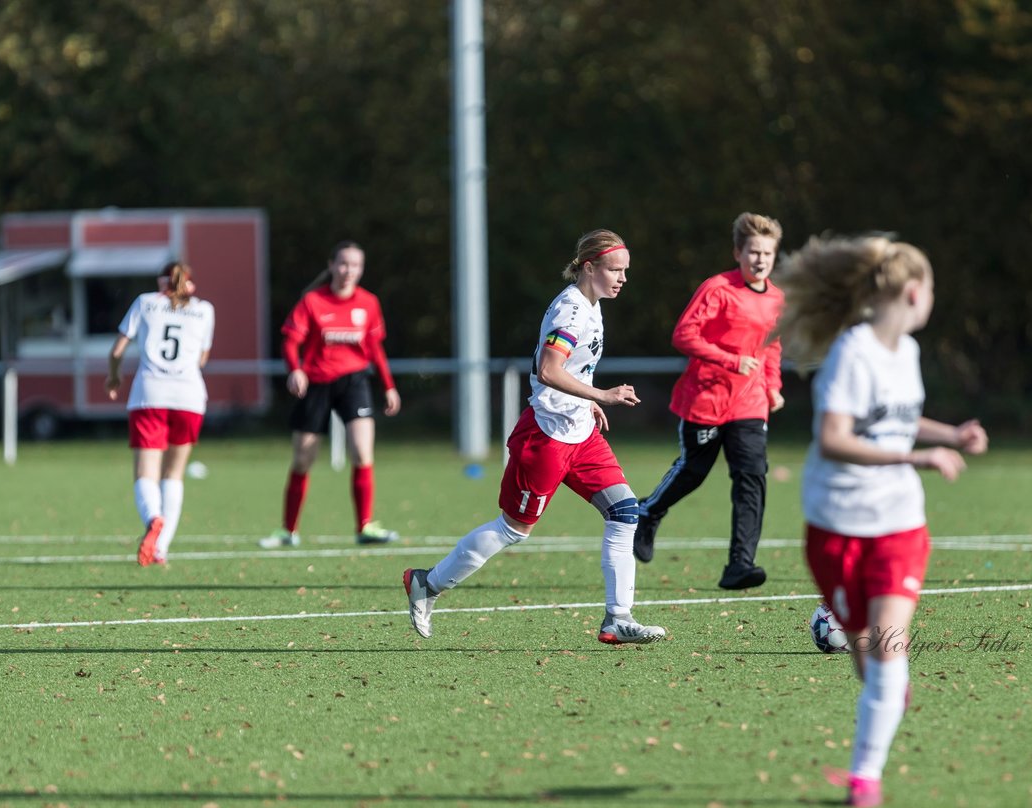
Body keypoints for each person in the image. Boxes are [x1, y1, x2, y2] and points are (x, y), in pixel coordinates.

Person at [774, 232, 988, 808]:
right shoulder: (853, 352)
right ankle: (885, 688)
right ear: (915, 292)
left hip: (898, 524)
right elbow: (834, 438)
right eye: (935, 289)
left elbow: (900, 419)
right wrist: (916, 457)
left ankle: (864, 776)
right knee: (869, 657)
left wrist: (951, 435)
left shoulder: (908, 354)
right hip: (836, 525)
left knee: (889, 651)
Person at [403, 229, 665, 644]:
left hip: (580, 435)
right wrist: (601, 394)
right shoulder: (572, 310)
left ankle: (617, 618)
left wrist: (587, 400)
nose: (623, 278)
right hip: (545, 438)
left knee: (625, 513)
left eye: (626, 271)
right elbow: (548, 369)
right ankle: (427, 583)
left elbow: (569, 370)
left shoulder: (592, 305)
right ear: (590, 267)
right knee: (514, 529)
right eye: (616, 270)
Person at [634, 212, 786, 590]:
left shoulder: (778, 299)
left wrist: (772, 385)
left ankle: (740, 565)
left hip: (750, 404)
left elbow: (772, 347)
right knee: (693, 471)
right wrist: (730, 360)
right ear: (738, 252)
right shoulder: (717, 288)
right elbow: (684, 335)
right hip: (707, 398)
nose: (760, 259)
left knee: (751, 477)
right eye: (753, 251)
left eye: (767, 252)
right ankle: (648, 513)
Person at [259, 241, 402, 548]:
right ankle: (288, 530)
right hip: (317, 383)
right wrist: (294, 369)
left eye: (356, 265)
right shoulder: (312, 301)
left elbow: (375, 348)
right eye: (343, 264)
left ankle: (365, 526)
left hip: (354, 382)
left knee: (362, 453)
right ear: (331, 265)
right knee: (303, 459)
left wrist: (388, 385)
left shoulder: (368, 303)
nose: (349, 270)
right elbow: (289, 342)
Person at [105, 262, 215, 566]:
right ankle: (162, 548)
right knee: (174, 474)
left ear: (160, 281)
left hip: (149, 396)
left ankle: (154, 519)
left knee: (145, 474)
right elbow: (202, 359)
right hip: (190, 397)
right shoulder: (205, 310)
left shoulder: (145, 302)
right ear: (189, 285)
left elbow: (116, 351)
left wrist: (113, 377)